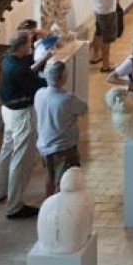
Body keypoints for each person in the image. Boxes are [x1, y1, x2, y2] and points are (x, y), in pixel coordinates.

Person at [0, 30, 53, 219]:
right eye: (29, 43)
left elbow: (27, 69)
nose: (31, 46)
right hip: (21, 114)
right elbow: (38, 84)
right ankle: (15, 206)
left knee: (7, 150)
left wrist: (42, 59)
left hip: (7, 110)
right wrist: (53, 74)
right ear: (21, 47)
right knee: (21, 159)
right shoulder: (18, 70)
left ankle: (0, 191)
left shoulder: (7, 59)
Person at [34, 60, 89, 197]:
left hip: (44, 145)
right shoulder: (67, 99)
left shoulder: (39, 94)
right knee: (63, 182)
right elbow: (83, 109)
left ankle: (48, 203)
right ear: (62, 78)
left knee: (50, 177)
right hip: (63, 148)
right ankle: (58, 206)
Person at [90, 0, 119, 71]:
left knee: (98, 32)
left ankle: (95, 55)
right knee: (107, 38)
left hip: (98, 9)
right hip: (107, 11)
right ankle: (106, 65)